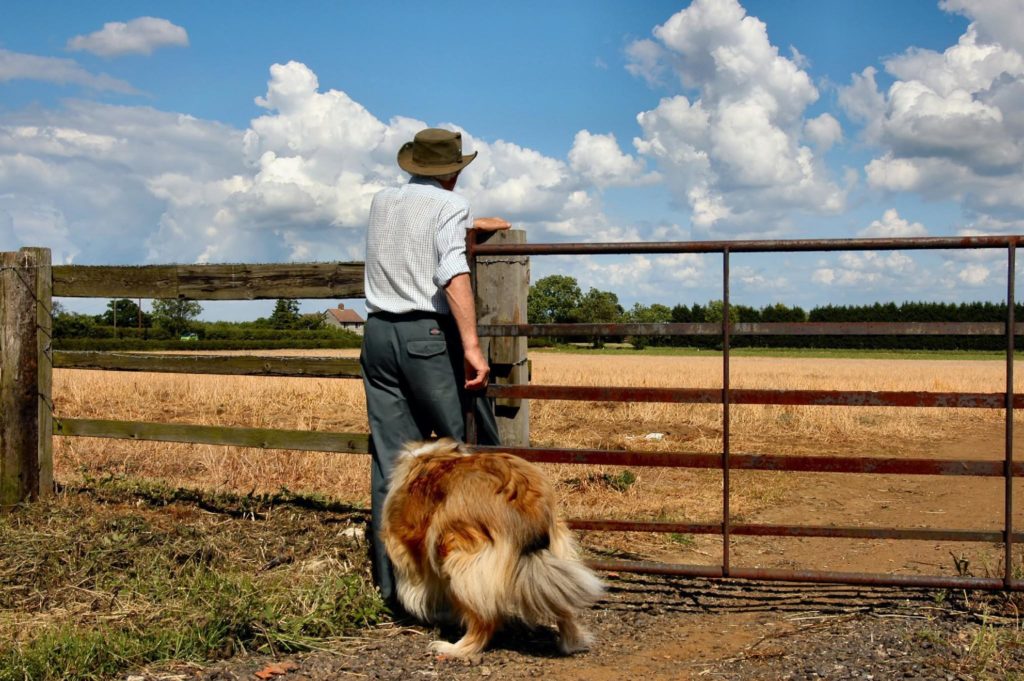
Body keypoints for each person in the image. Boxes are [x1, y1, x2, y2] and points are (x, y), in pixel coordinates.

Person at [360, 127, 509, 605]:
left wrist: (470, 226)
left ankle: (397, 586)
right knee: (470, 452)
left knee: (393, 461)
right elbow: (451, 271)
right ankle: (480, 579)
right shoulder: (450, 206)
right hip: (427, 336)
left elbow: (417, 232)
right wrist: (471, 345)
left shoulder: (383, 201)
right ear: (452, 171)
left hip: (378, 333)